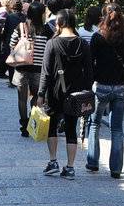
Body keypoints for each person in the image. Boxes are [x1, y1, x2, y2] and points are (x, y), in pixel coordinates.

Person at [37, 9, 93, 179]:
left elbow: (45, 72)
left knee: (52, 126)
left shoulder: (52, 44)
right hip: (76, 93)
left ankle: (53, 161)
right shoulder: (83, 44)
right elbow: (90, 72)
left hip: (55, 92)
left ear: (59, 24)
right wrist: (85, 91)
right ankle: (70, 167)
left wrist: (40, 94)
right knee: (71, 128)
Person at [87, 4, 124, 179]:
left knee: (94, 124)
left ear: (103, 17)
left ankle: (93, 163)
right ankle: (116, 169)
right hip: (121, 87)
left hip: (101, 86)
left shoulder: (97, 37)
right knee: (117, 128)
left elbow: (90, 62)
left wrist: (90, 82)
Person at [10, 1, 48, 137]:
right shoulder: (47, 30)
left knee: (21, 98)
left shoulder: (21, 27)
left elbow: (12, 44)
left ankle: (23, 125)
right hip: (38, 70)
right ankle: (33, 123)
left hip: (21, 67)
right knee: (36, 97)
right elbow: (49, 51)